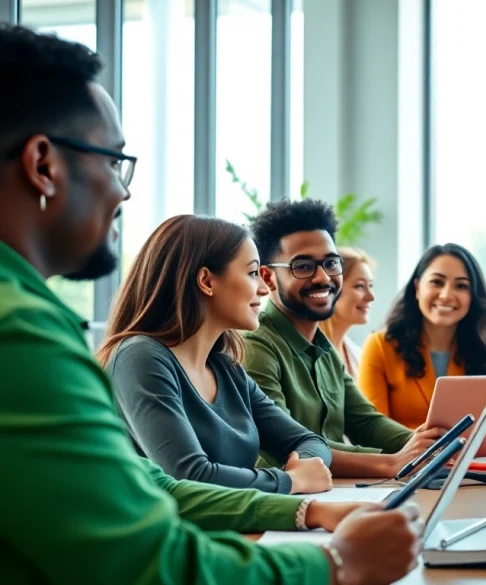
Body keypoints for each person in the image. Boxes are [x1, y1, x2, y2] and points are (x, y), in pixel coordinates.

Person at [0, 24, 418, 585]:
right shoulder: (23, 333)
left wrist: (305, 510)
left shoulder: (224, 360)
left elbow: (156, 485)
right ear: (43, 164)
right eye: (113, 161)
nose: (124, 191)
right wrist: (335, 561)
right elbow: (150, 559)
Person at [99, 215, 335, 495]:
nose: (264, 288)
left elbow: (310, 442)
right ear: (206, 281)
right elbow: (189, 476)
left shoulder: (227, 369)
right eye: (252, 273)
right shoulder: (140, 358)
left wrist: (304, 467)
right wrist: (290, 481)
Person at [245, 199, 443, 478]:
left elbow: (366, 423)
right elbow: (291, 446)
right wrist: (392, 462)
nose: (322, 277)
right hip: (289, 496)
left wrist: (430, 444)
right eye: (303, 266)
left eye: (330, 263)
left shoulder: (323, 346)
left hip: (337, 489)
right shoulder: (255, 346)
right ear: (267, 277)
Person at [359, 243, 486, 445]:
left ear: (472, 297)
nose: (447, 295)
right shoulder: (380, 346)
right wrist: (423, 441)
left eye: (461, 286)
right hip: (406, 460)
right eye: (437, 282)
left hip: (474, 460)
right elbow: (371, 429)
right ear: (417, 288)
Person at [318, 246, 376, 378]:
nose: (371, 296)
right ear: (330, 289)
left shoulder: (358, 356)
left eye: (371, 285)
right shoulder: (306, 353)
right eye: (359, 286)